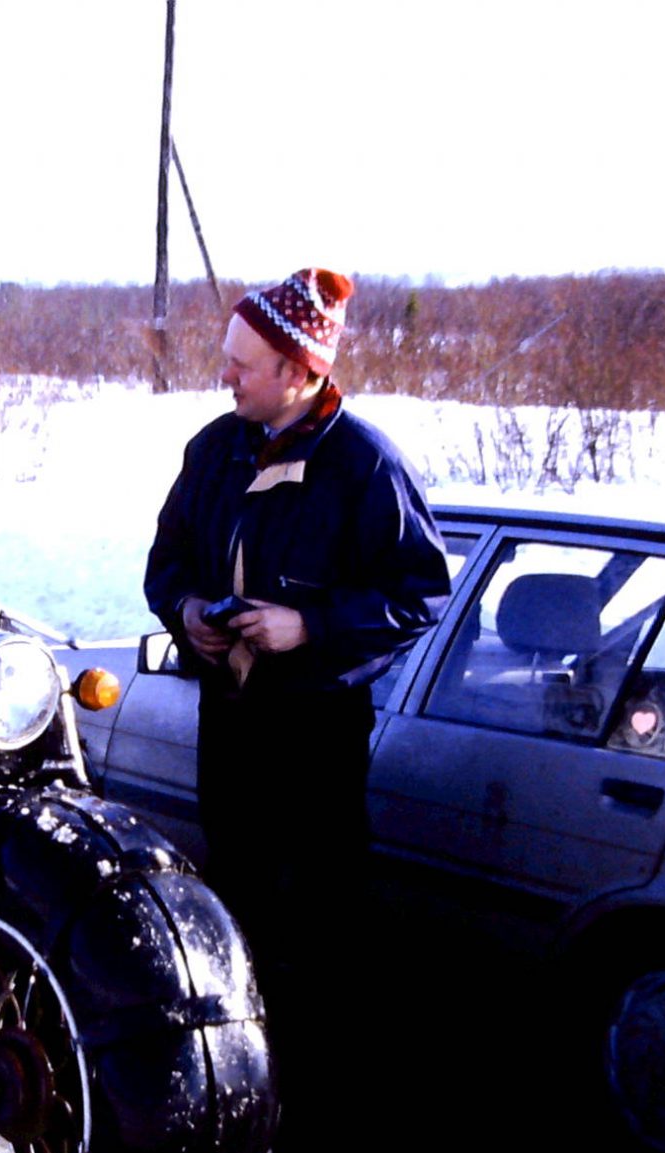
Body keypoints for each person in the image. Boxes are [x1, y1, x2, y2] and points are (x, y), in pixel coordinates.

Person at [142, 266, 450, 1045]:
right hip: (231, 723)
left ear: (299, 370)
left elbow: (422, 593)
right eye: (227, 357)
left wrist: (308, 626)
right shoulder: (213, 451)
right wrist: (186, 612)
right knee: (231, 909)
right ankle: (238, 1070)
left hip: (317, 733)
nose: (225, 376)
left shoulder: (366, 465)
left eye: (242, 365)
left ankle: (317, 1090)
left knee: (318, 926)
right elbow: (165, 563)